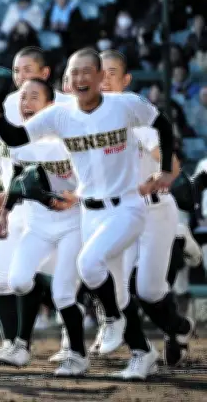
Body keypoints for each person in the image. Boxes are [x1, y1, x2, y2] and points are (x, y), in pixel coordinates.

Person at [0, 48, 176, 380]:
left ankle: (113, 320)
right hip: (90, 212)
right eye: (73, 73)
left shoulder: (125, 104)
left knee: (88, 265)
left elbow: (164, 125)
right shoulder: (61, 115)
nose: (79, 79)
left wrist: (163, 171)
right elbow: (16, 137)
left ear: (102, 76)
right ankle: (142, 352)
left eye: (87, 71)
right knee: (115, 290)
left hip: (127, 207)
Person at [0, 47, 73, 363]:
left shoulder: (66, 106)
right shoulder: (7, 106)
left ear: (44, 73)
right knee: (4, 277)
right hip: (18, 198)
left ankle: (71, 340)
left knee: (63, 280)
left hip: (59, 204)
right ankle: (14, 345)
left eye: (28, 70)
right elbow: (6, 164)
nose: (20, 77)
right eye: (16, 71)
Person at [0, 78, 88, 376]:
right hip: (40, 225)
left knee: (63, 294)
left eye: (33, 97)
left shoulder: (70, 138)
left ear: (50, 106)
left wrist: (78, 196)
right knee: (17, 281)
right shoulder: (22, 144)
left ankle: (78, 355)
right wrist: (2, 208)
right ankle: (20, 346)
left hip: (73, 223)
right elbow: (17, 179)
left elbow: (96, 178)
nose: (25, 103)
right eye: (22, 98)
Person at [100, 51, 195, 367]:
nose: (103, 78)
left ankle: (178, 327)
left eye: (111, 72)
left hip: (154, 212)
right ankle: (141, 352)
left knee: (149, 289)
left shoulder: (137, 115)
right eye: (98, 71)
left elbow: (174, 164)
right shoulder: (86, 120)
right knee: (117, 285)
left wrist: (158, 176)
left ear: (125, 80)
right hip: (120, 214)